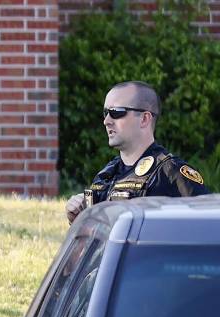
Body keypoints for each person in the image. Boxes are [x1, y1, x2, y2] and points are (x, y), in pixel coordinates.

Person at [65, 81, 210, 223]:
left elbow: (208, 226)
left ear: (144, 119)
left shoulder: (171, 173)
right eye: (105, 113)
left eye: (116, 112)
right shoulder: (107, 174)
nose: (106, 121)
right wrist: (78, 219)